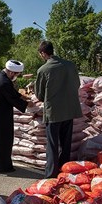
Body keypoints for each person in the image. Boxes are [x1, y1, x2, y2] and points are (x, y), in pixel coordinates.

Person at [35, 41, 83, 178]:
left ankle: (51, 175)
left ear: (43, 53)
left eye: (40, 54)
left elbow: (39, 95)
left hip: (54, 112)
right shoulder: (70, 65)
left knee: (52, 145)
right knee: (66, 144)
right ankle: (65, 171)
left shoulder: (43, 70)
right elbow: (77, 84)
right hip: (70, 109)